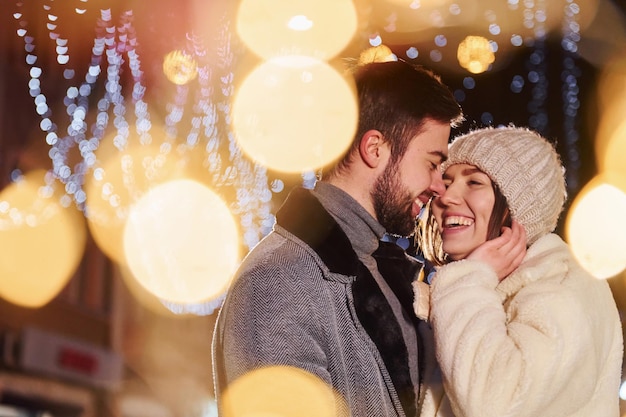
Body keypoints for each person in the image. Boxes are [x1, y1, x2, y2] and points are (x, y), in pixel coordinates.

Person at [211, 45, 469, 417]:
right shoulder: (279, 281)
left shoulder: (389, 274)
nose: (439, 186)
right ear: (375, 149)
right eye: (431, 163)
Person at [415, 126, 624, 417]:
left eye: (474, 182)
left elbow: (495, 405)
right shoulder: (472, 287)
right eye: (446, 182)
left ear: (519, 208)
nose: (447, 197)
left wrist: (470, 281)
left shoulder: (566, 288)